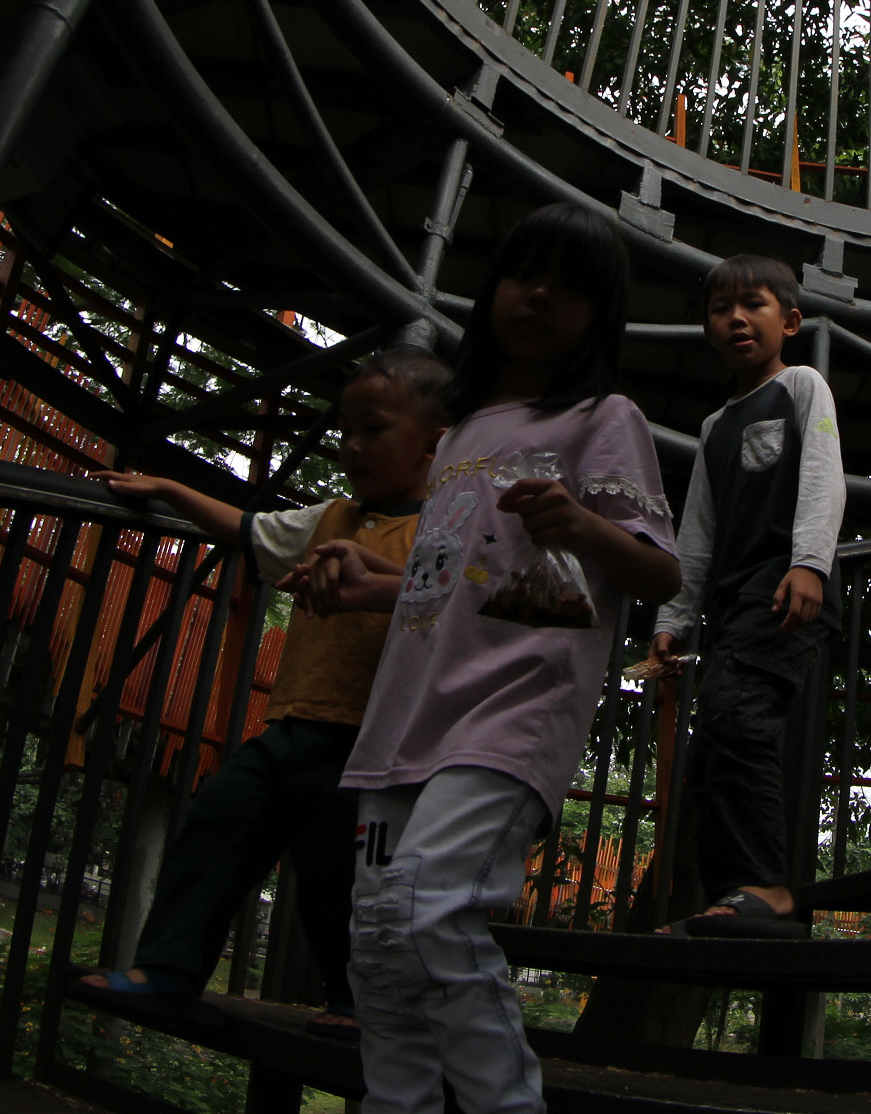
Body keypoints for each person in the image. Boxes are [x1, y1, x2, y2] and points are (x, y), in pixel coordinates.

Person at [288, 203, 680, 1114]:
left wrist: (582, 524)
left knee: (429, 911)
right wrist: (371, 584)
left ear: (599, 316)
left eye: (571, 287)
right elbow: (464, 581)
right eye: (523, 274)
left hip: (510, 712)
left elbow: (659, 573)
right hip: (406, 721)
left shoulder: (601, 415)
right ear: (492, 287)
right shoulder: (459, 434)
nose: (541, 297)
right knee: (377, 947)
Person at [75, 348, 450, 1039]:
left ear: (434, 442)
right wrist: (168, 488)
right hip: (288, 726)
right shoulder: (331, 517)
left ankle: (356, 1002)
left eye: (373, 429)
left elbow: (457, 615)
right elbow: (250, 530)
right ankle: (167, 970)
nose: (352, 445)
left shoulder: (440, 532)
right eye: (346, 428)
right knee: (217, 823)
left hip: (368, 744)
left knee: (338, 876)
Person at [646, 254, 846, 940]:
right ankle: (734, 898)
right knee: (715, 745)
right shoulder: (713, 427)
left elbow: (824, 474)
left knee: (738, 714)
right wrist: (674, 618)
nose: (735, 318)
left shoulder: (801, 385)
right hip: (733, 606)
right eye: (721, 309)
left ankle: (769, 888)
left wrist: (811, 564)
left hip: (785, 585)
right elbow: (695, 532)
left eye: (753, 305)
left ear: (789, 321)